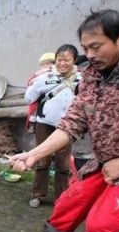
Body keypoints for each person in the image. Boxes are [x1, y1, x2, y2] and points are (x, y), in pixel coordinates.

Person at [4, 9, 119, 232]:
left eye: (96, 46)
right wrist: (33, 154)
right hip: (104, 162)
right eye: (85, 48)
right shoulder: (91, 74)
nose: (89, 54)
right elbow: (73, 121)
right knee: (66, 206)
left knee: (100, 225)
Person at [25, 44, 82, 208]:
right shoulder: (45, 77)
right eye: (59, 60)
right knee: (42, 160)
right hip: (44, 125)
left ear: (74, 60)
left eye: (67, 60)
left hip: (67, 128)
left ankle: (61, 198)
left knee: (63, 165)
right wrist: (35, 83)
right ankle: (37, 195)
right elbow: (29, 98)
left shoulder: (82, 80)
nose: (62, 63)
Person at [25, 52, 56, 133]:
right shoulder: (39, 75)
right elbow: (30, 85)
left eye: (49, 63)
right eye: (44, 64)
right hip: (41, 102)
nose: (46, 66)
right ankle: (33, 122)